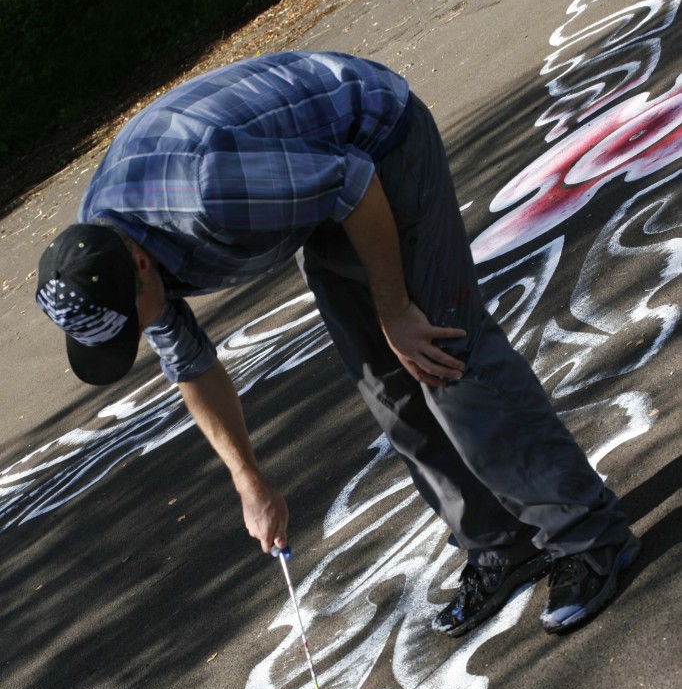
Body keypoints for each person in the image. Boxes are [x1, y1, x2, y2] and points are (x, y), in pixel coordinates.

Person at [35, 51, 639, 636]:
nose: (137, 334)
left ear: (139, 263)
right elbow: (189, 361)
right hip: (309, 181)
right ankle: (500, 544)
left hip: (376, 142)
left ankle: (590, 540)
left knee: (443, 357)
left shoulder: (208, 193)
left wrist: (396, 309)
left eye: (129, 322)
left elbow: (353, 182)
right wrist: (250, 483)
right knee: (387, 387)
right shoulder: (110, 250)